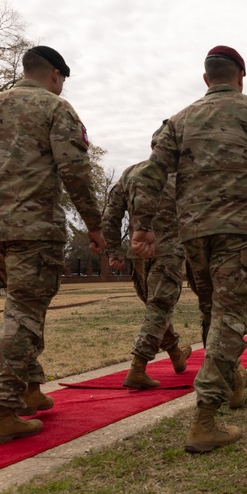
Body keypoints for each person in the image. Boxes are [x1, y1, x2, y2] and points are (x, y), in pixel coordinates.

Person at [129, 45, 247, 454]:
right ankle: (205, 416)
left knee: (212, 309)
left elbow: (150, 174)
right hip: (236, 231)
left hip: (193, 235)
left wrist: (142, 226)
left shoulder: (179, 120)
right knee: (229, 315)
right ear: (241, 76)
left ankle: (232, 379)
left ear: (206, 79)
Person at [0, 45, 106, 445]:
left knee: (23, 306)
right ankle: (3, 411)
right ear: (56, 76)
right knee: (25, 313)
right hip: (35, 228)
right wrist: (94, 225)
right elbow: (75, 171)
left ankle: (29, 390)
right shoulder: (56, 109)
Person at [103, 159, 192, 389]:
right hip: (168, 251)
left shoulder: (130, 173)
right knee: (159, 308)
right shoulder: (180, 174)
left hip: (139, 254)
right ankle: (138, 367)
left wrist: (114, 250)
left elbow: (111, 215)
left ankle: (175, 354)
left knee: (156, 308)